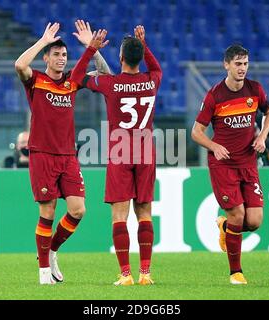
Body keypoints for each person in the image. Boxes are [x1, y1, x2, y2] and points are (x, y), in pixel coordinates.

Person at [14, 20, 110, 285]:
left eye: (65, 55)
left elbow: (106, 74)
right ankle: (44, 272)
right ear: (46, 57)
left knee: (78, 210)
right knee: (48, 211)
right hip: (42, 154)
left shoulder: (72, 81)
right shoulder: (36, 80)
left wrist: (93, 48)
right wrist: (43, 41)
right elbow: (20, 65)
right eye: (56, 54)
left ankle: (52, 251)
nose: (61, 58)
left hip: (68, 156)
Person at [72, 26, 162, 286]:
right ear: (140, 56)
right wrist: (146, 46)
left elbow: (77, 78)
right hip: (145, 149)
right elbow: (156, 68)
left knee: (119, 216)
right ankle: (145, 273)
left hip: (121, 151)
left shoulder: (110, 84)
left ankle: (126, 275)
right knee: (145, 213)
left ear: (121, 58)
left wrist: (92, 49)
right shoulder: (151, 81)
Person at [191, 44, 269, 285]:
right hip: (224, 165)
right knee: (238, 214)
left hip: (248, 163)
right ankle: (236, 273)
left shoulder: (255, 90)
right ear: (226, 65)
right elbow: (196, 132)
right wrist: (214, 146)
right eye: (238, 64)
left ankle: (225, 227)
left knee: (254, 221)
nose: (242, 69)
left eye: (245, 64)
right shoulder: (215, 96)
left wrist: (262, 137)